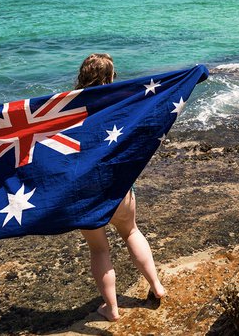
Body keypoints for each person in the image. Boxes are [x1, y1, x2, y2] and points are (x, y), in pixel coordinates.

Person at [75, 53, 166, 322]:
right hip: (119, 187)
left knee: (99, 249)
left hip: (87, 191)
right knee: (131, 232)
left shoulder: (66, 109)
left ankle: (111, 309)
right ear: (112, 77)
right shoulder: (124, 102)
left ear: (81, 76)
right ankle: (157, 287)